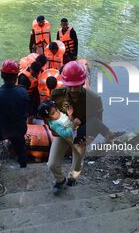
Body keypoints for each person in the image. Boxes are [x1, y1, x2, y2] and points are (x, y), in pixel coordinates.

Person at [47, 61, 121, 194]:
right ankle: (60, 180)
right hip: (64, 133)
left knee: (77, 164)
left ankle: (72, 179)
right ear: (64, 83)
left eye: (77, 86)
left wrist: (89, 139)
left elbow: (98, 123)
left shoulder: (94, 99)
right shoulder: (56, 95)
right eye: (70, 86)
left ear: (83, 82)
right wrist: (55, 131)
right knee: (52, 164)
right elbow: (50, 117)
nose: (74, 90)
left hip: (82, 134)